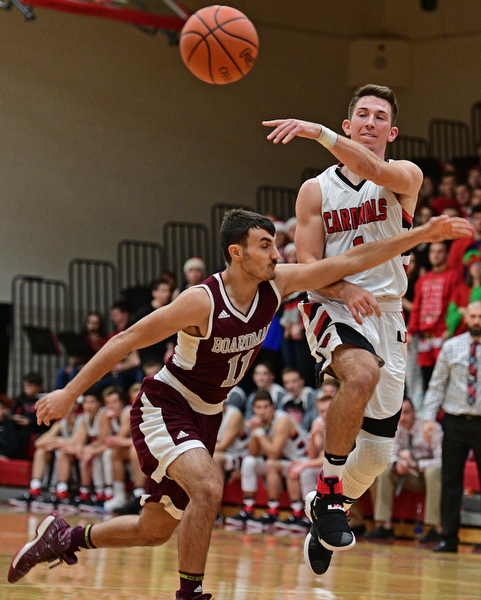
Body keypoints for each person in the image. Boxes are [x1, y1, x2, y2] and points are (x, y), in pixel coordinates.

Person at [7, 209, 472, 596]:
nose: (277, 253)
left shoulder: (276, 284)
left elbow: (351, 259)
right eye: (266, 245)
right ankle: (190, 595)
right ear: (237, 252)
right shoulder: (199, 301)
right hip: (166, 405)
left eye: (275, 245)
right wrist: (70, 392)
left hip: (208, 416)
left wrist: (422, 235)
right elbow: (127, 338)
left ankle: (63, 537)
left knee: (154, 529)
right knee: (208, 488)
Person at [263, 84, 424, 574]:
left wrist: (317, 131)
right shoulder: (316, 189)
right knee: (360, 375)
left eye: (380, 116)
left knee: (377, 455)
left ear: (391, 132)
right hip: (330, 303)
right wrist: (343, 291)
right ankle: (332, 496)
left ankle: (323, 509)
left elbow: (373, 169)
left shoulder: (404, 177)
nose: (371, 121)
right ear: (350, 124)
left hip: (389, 311)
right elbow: (308, 262)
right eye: (362, 114)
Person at [423, 301, 481, 553]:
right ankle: (448, 537)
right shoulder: (451, 346)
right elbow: (437, 384)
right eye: (474, 316)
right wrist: (428, 417)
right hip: (455, 421)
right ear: (465, 317)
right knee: (450, 481)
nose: (477, 320)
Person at [224, 390, 309, 532]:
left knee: (271, 464)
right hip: (283, 460)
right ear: (253, 409)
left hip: (301, 459)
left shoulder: (282, 421)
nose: (262, 411)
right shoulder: (259, 423)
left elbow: (274, 453)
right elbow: (253, 452)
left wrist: (259, 433)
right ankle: (248, 509)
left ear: (273, 407)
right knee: (249, 462)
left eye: (265, 407)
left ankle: (279, 512)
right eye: (258, 408)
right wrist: (254, 432)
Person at [364, 397, 442, 542]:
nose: (403, 418)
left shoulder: (430, 428)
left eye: (406, 413)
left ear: (415, 412)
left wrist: (417, 463)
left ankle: (434, 528)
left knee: (433, 472)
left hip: (428, 478)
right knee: (385, 470)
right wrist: (397, 464)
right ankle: (384, 525)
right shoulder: (396, 427)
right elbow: (390, 454)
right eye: (399, 414)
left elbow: (442, 461)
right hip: (409, 476)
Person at [407, 241, 460, 391]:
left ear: (447, 255)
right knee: (426, 379)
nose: (435, 255)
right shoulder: (422, 280)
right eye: (432, 252)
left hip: (442, 334)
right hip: (424, 336)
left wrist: (450, 328)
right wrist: (411, 332)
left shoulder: (453, 276)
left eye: (440, 251)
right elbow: (417, 308)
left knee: (444, 377)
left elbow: (454, 305)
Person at [9, 372, 49, 459]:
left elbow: (47, 419)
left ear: (38, 387)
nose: (26, 389)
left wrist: (30, 422)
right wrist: (15, 418)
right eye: (25, 386)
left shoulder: (44, 399)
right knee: (8, 428)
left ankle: (18, 459)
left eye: (29, 386)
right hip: (21, 424)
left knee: (23, 434)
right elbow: (12, 412)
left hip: (36, 425)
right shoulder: (21, 398)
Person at [445, 249, 481, 338]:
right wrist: (460, 314)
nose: (477, 267)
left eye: (479, 265)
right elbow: (450, 315)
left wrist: (464, 311)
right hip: (461, 334)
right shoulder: (459, 290)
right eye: (474, 265)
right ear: (469, 268)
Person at [279, 367, 318, 432]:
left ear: (302, 381)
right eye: (286, 382)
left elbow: (313, 420)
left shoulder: (311, 396)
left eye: (294, 381)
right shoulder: (285, 398)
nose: (290, 386)